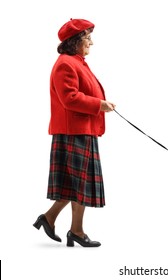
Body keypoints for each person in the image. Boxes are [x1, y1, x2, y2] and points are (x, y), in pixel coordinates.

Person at [33, 18, 115, 247]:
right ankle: (75, 231)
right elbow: (69, 98)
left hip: (82, 129)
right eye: (87, 38)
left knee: (74, 184)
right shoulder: (66, 64)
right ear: (75, 41)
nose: (91, 42)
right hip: (73, 131)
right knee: (79, 184)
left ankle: (53, 220)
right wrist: (99, 105)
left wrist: (100, 103)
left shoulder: (76, 62)